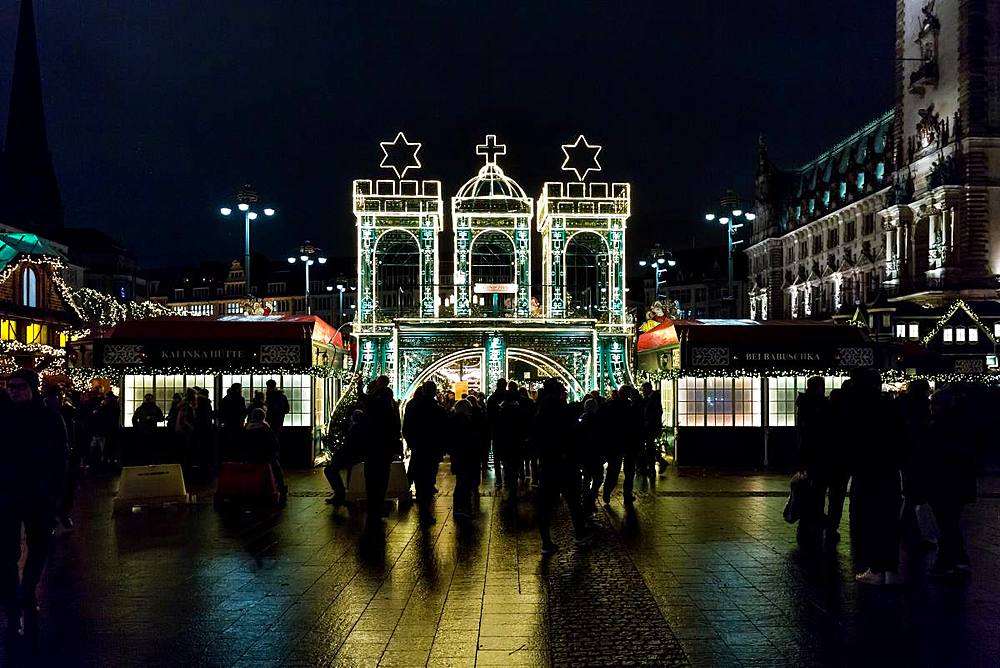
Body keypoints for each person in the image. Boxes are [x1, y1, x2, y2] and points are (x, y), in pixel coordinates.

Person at [0, 369, 68, 639]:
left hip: (37, 494)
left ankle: (25, 589)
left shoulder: (49, 419)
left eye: (18, 386)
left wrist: (54, 493)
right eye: (10, 386)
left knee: (38, 544)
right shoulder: (6, 417)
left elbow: (60, 458)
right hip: (9, 493)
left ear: (30, 388)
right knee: (7, 550)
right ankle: (17, 596)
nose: (13, 391)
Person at [849, 369, 905, 585]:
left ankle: (875, 568)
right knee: (889, 521)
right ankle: (890, 569)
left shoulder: (856, 408)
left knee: (868, 521)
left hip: (866, 471)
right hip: (889, 471)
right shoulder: (890, 406)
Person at [533, 379, 591, 554]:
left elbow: (536, 438)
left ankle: (546, 542)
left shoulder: (540, 411)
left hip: (548, 463)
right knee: (574, 501)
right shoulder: (565, 411)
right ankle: (580, 535)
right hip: (566, 463)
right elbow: (574, 434)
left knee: (545, 505)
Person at [926, 388, 975, 577]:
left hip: (942, 483)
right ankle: (957, 560)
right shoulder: (963, 425)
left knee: (946, 523)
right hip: (960, 482)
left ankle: (948, 561)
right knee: (951, 522)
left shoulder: (936, 427)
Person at [402, 382, 447, 523]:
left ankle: (417, 503)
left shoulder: (412, 407)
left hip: (418, 448)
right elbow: (444, 431)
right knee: (428, 480)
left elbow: (406, 428)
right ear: (434, 392)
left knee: (419, 478)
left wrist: (411, 443)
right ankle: (424, 511)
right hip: (432, 450)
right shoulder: (438, 409)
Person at [362, 378, 402, 530]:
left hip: (372, 447)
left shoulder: (373, 405)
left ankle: (373, 506)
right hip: (385, 449)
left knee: (371, 478)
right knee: (382, 478)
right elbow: (397, 428)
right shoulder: (391, 408)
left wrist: (364, 386)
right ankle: (378, 505)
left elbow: (363, 397)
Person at [795, 376, 831, 542]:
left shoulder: (803, 404)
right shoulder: (821, 405)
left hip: (807, 451)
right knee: (819, 488)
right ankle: (816, 517)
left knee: (809, 487)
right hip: (820, 452)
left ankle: (807, 519)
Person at [603, 385, 641, 507]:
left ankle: (608, 491)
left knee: (614, 470)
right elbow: (636, 426)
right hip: (628, 443)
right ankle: (626, 495)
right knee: (629, 472)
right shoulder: (631, 407)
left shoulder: (611, 406)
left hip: (616, 444)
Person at [242, 408, 287, 505]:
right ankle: (282, 489)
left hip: (251, 457)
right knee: (277, 470)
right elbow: (274, 444)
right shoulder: (265, 428)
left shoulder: (247, 428)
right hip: (266, 457)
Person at [325, 409, 368, 507]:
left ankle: (340, 493)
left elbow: (350, 447)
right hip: (355, 456)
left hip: (353, 457)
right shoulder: (360, 428)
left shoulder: (355, 429)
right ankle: (340, 493)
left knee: (330, 470)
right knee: (332, 469)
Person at [448, 399, 479, 520]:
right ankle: (463, 508)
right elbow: (470, 439)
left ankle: (459, 508)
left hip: (457, 457)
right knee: (464, 483)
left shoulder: (452, 420)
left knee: (461, 482)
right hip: (466, 456)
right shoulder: (465, 421)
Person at [640, 381, 666, 477]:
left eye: (643, 389)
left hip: (651, 427)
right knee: (650, 446)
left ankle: (654, 465)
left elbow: (656, 412)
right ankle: (655, 464)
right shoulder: (652, 398)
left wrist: (648, 421)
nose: (642, 391)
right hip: (651, 426)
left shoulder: (653, 398)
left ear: (647, 389)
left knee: (650, 447)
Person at [486, 378, 508, 487]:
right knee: (507, 456)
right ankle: (508, 478)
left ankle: (499, 479)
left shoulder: (492, 398)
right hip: (509, 431)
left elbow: (488, 416)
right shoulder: (510, 397)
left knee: (497, 456)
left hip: (495, 430)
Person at [219, 383, 247, 461]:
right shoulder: (240, 399)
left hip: (228, 423)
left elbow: (222, 411)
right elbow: (242, 411)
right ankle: (237, 459)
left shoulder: (226, 398)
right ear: (238, 389)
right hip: (238, 423)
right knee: (237, 442)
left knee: (229, 442)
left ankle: (228, 459)